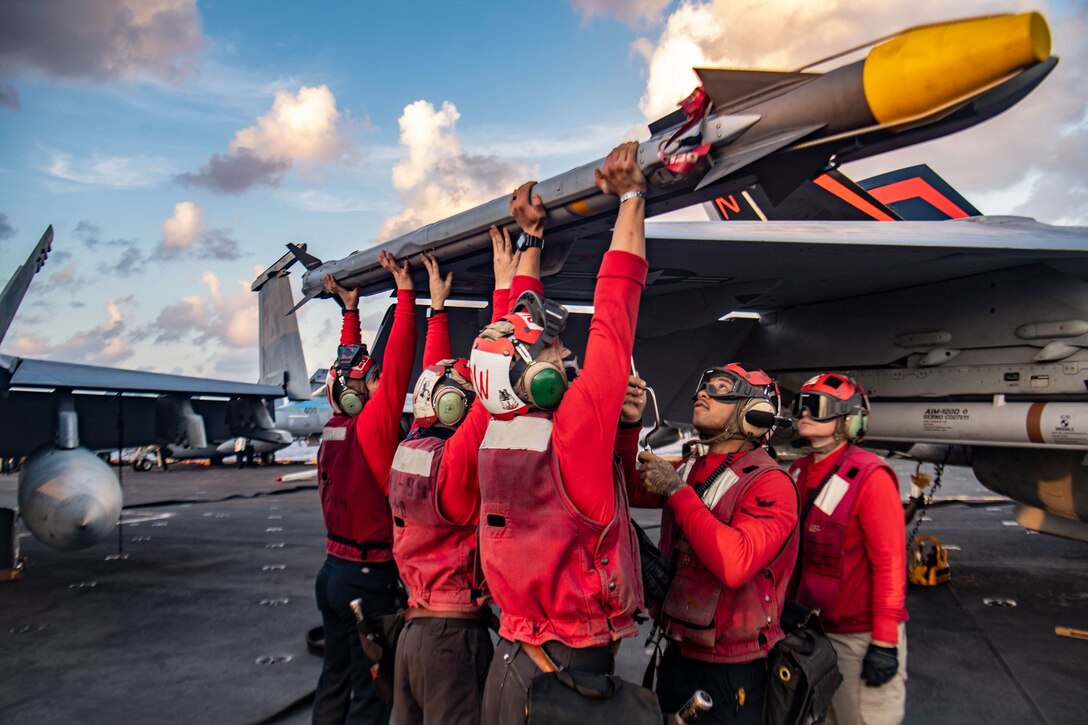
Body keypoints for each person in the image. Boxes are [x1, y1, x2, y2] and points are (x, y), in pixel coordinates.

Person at [469, 142, 649, 725]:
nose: (565, 350)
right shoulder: (573, 430)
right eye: (554, 347)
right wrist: (630, 197)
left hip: (513, 660)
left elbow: (512, 335)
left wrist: (532, 241)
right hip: (571, 674)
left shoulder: (495, 430)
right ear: (536, 377)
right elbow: (615, 314)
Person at [387, 235, 520, 725]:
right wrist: (504, 289)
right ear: (451, 407)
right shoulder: (454, 469)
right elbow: (492, 381)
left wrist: (436, 309)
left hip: (413, 635)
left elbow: (435, 377)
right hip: (452, 640)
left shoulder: (412, 450)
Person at [631, 363, 799, 724]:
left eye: (722, 387)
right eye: (705, 386)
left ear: (755, 413)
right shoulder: (695, 466)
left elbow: (735, 563)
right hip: (680, 654)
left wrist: (676, 490)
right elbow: (629, 488)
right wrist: (629, 426)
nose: (702, 394)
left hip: (731, 672)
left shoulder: (771, 484)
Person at [312, 251, 416, 725]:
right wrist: (408, 297)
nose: (381, 384)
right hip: (369, 580)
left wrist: (349, 314)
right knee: (371, 694)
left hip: (332, 574)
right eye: (373, 382)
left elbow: (348, 371)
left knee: (333, 681)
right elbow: (395, 367)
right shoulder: (374, 430)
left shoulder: (335, 427)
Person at [789, 372, 908, 725]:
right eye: (801, 407)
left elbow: (890, 565)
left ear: (847, 420)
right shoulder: (797, 472)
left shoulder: (871, 478)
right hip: (811, 635)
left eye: (817, 407)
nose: (805, 414)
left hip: (859, 638)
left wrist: (884, 643)